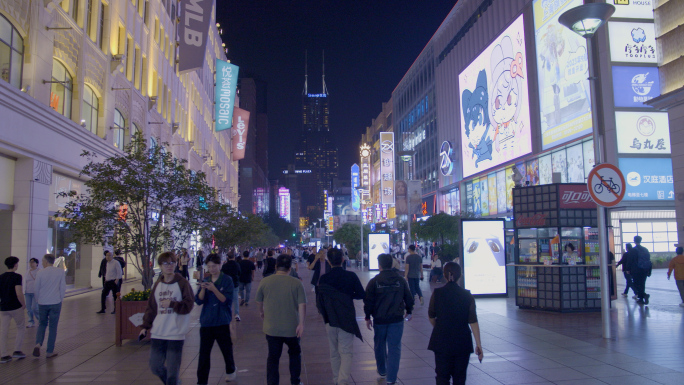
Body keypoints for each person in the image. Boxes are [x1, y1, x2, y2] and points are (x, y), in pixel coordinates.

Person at [140, 251, 194, 385]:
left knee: (172, 373)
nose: (169, 266)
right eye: (165, 263)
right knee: (155, 366)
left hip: (175, 333)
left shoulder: (182, 283)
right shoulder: (157, 285)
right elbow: (151, 307)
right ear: (160, 266)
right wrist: (145, 326)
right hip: (158, 332)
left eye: (172, 263)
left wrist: (172, 304)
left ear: (176, 264)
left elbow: (188, 305)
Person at [428, 262, 483, 385]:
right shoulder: (467, 295)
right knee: (460, 377)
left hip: (441, 340)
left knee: (442, 376)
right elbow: (473, 320)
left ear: (444, 275)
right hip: (462, 341)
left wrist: (438, 327)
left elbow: (431, 315)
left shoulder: (437, 294)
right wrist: (479, 344)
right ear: (460, 276)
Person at [316, 248, 366, 385]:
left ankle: (336, 379)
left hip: (330, 319)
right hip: (346, 318)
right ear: (342, 260)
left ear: (328, 261)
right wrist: (349, 296)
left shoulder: (324, 278)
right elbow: (362, 294)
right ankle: (342, 381)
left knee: (334, 352)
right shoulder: (351, 277)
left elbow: (319, 301)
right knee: (346, 352)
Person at [256, 254, 307, 385]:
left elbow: (259, 300)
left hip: (272, 328)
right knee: (295, 355)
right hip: (292, 328)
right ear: (290, 268)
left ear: (275, 266)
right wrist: (301, 323)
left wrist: (261, 312)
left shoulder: (265, 281)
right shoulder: (296, 283)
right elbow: (302, 305)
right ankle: (295, 381)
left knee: (273, 358)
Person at [364, 253, 414, 385]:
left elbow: (368, 301)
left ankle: (382, 370)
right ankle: (391, 378)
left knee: (379, 345)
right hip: (396, 319)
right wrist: (409, 311)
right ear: (391, 264)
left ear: (379, 264)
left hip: (379, 319)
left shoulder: (374, 281)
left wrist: (367, 316)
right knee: (394, 348)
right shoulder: (400, 280)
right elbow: (408, 298)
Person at [195, 254, 237, 384]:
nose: (212, 269)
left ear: (220, 265)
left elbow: (226, 300)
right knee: (204, 354)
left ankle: (230, 370)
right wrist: (203, 289)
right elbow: (199, 301)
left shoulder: (227, 280)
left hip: (222, 321)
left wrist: (213, 289)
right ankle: (201, 381)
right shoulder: (206, 279)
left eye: (214, 266)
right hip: (207, 322)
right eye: (209, 267)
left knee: (226, 349)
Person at [33, 254, 66, 358]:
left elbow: (36, 288)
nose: (42, 263)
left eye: (43, 261)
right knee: (53, 327)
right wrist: (60, 299)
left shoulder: (40, 273)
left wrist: (38, 299)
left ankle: (38, 344)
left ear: (46, 262)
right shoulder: (60, 272)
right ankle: (49, 351)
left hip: (43, 302)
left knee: (42, 324)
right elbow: (62, 287)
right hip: (55, 302)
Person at [0, 256, 26, 363]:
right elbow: (18, 293)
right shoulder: (17, 277)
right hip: (15, 306)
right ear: (15, 265)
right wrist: (23, 304)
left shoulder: (0, 277)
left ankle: (4, 355)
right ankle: (17, 350)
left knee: (3, 330)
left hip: (3, 307)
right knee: (20, 327)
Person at [97, 250, 123, 314]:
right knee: (103, 294)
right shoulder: (107, 263)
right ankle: (103, 308)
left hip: (114, 281)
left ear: (112, 256)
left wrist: (116, 280)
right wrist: (106, 279)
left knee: (115, 296)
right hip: (108, 281)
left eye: (109, 256)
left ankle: (116, 309)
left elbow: (119, 272)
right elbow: (108, 272)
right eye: (106, 256)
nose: (107, 257)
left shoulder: (116, 262)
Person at [631, 235, 652, 305]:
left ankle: (643, 296)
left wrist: (629, 269)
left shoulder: (634, 250)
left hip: (637, 269)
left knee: (635, 283)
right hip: (645, 269)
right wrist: (649, 270)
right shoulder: (645, 249)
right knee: (642, 284)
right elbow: (649, 259)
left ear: (634, 241)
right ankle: (642, 298)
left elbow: (632, 260)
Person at [221, 252, 242, 322]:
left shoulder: (225, 265)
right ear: (234, 257)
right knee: (235, 299)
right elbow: (239, 273)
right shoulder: (237, 265)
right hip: (235, 283)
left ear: (228, 257)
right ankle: (236, 314)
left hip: (226, 284)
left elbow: (222, 274)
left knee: (227, 299)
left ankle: (227, 313)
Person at [24, 258, 40, 328]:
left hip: (35, 292)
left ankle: (40, 320)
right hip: (27, 292)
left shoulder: (39, 271)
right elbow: (25, 281)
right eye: (30, 262)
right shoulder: (27, 271)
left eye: (33, 262)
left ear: (37, 263)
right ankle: (30, 321)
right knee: (28, 308)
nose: (31, 263)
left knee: (34, 307)